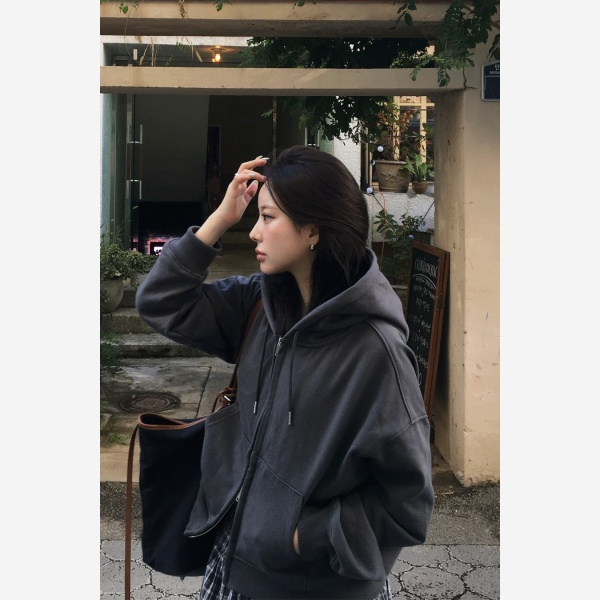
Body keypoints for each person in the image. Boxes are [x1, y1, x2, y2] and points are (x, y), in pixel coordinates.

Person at [135, 145, 434, 600]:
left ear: (312, 229)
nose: (254, 231)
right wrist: (219, 218)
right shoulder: (261, 306)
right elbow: (161, 302)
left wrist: (301, 536)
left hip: (311, 584)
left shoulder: (375, 352)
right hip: (232, 563)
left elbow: (407, 505)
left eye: (268, 217)